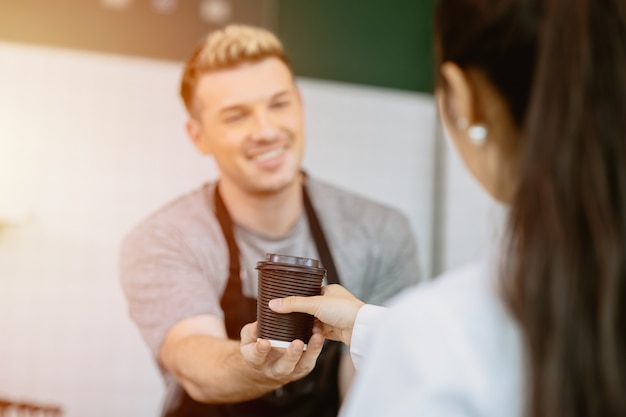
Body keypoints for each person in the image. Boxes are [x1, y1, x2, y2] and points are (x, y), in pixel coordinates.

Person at [265, 0, 626, 416]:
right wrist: (363, 323)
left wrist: (405, 334)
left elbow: (447, 345)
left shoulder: (431, 339)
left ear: (460, 97)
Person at [119, 24, 422, 417]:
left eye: (279, 104)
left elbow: (365, 387)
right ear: (198, 136)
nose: (265, 130)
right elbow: (194, 361)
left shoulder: (381, 233)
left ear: (300, 105)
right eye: (235, 116)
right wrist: (258, 366)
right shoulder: (166, 237)